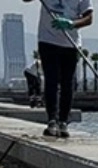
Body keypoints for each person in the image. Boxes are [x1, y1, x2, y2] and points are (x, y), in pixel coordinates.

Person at [24, 0, 93, 138]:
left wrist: (72, 24)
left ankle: (63, 122)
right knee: (51, 81)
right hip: (48, 41)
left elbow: (89, 18)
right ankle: (52, 121)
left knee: (68, 83)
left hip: (70, 44)